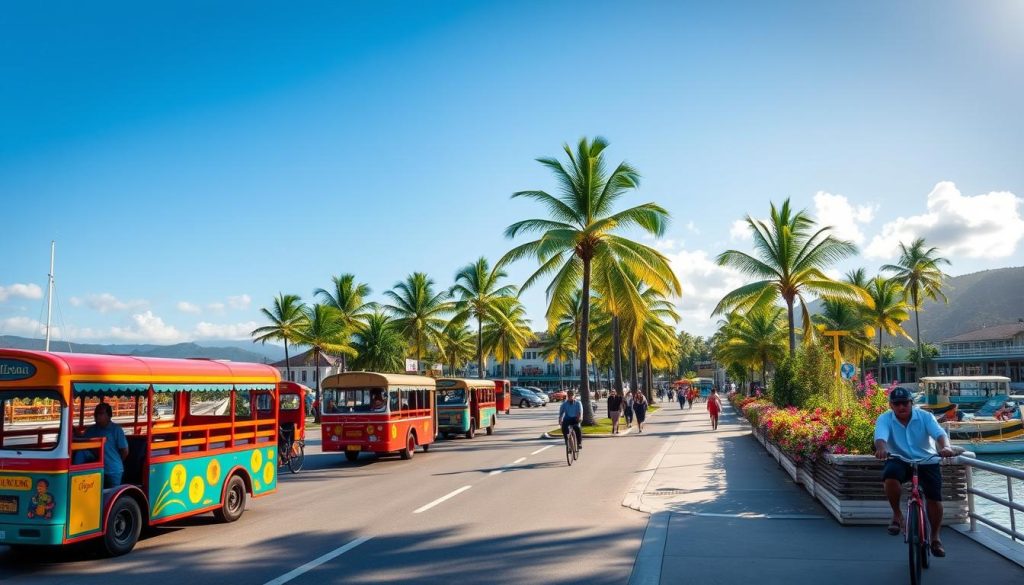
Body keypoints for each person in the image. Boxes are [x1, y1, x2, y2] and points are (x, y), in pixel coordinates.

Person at [874, 387, 957, 558]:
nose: (901, 407)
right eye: (896, 404)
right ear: (891, 405)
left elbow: (939, 434)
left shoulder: (925, 417)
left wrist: (946, 447)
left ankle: (935, 538)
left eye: (905, 402)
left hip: (927, 460)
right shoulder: (884, 419)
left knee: (934, 498)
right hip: (900, 459)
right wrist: (881, 449)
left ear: (911, 403)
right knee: (890, 476)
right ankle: (897, 515)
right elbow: (880, 438)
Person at [80, 402, 129, 488]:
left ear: (109, 416)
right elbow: (82, 443)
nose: (97, 415)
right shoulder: (91, 430)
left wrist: (113, 462)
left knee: (112, 495)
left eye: (101, 413)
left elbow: (125, 451)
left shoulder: (116, 430)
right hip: (96, 471)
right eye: (96, 413)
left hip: (113, 471)